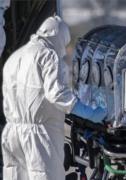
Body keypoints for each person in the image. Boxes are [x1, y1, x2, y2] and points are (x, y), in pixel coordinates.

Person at [1, 16, 107, 180]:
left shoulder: (15, 57)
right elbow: (57, 94)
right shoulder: (48, 56)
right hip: (39, 136)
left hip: (12, 133)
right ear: (58, 37)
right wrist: (88, 112)